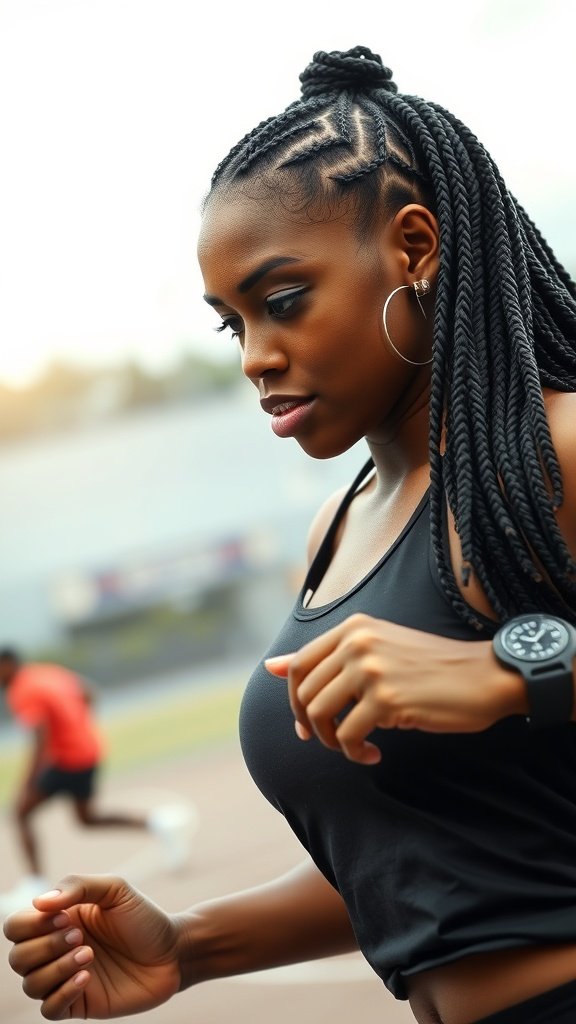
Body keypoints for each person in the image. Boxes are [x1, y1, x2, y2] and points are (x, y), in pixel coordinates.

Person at [4, 44, 576, 1024]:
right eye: (234, 325)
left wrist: (510, 673)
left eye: (282, 302)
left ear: (414, 248)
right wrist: (190, 945)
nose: (256, 358)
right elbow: (429, 858)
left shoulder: (556, 451)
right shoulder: (334, 532)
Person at [0, 648, 190, 905]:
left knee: (21, 812)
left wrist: (27, 782)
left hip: (65, 759)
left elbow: (40, 738)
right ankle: (160, 823)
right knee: (87, 818)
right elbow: (89, 691)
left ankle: (35, 885)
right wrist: (78, 724)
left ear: (7, 663)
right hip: (86, 750)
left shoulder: (22, 690)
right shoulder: (47, 672)